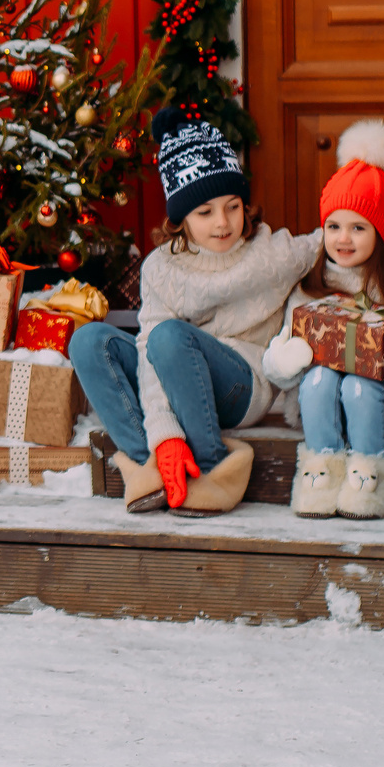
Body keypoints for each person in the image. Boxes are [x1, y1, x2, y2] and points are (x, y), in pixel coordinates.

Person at [70, 107, 318, 515]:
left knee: (169, 336)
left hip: (241, 384)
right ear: (180, 218)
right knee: (89, 340)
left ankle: (210, 467)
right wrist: (166, 433)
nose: (223, 223)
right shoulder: (161, 268)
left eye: (233, 206)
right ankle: (151, 463)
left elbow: (337, 242)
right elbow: (151, 353)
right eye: (204, 212)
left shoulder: (274, 253)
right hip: (172, 365)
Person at [261, 120, 384, 520]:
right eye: (334, 226)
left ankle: (370, 481)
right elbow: (283, 363)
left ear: (380, 230)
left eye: (358, 227)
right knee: (319, 379)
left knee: (358, 382)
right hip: (319, 401)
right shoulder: (311, 284)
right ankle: (320, 478)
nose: (343, 239)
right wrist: (287, 361)